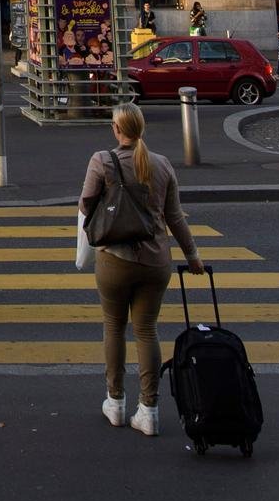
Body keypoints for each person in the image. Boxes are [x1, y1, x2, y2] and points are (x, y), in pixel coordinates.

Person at [81, 103, 206, 437]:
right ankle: (149, 410)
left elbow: (85, 204)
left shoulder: (102, 160)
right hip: (155, 262)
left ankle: (116, 403)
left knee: (113, 327)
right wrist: (192, 255)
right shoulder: (162, 164)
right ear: (141, 128)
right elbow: (176, 216)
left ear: (116, 129)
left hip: (115, 259)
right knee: (146, 331)